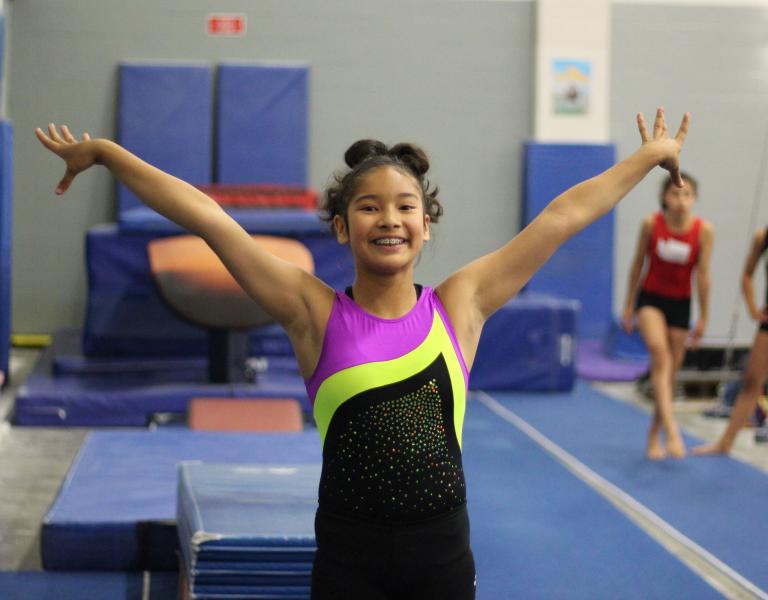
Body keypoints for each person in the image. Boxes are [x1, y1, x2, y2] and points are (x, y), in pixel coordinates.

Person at [36, 107, 689, 600]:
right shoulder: (312, 312)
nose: (389, 219)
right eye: (369, 207)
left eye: (405, 206)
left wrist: (649, 157)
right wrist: (103, 153)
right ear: (343, 227)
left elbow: (561, 217)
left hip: (441, 553)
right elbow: (207, 217)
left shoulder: (460, 305)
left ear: (425, 224)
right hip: (349, 556)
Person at [621, 172, 714, 460]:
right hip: (651, 299)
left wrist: (703, 318)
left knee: (670, 372)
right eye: (675, 194)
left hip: (681, 304)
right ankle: (673, 430)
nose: (681, 200)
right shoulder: (652, 224)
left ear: (694, 199)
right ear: (664, 197)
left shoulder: (703, 231)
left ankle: (653, 434)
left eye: (686, 195)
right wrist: (628, 306)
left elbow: (703, 277)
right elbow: (637, 264)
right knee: (660, 356)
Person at [693, 227, 768, 456]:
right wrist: (753, 308)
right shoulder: (762, 236)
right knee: (752, 380)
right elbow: (747, 275)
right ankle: (725, 442)